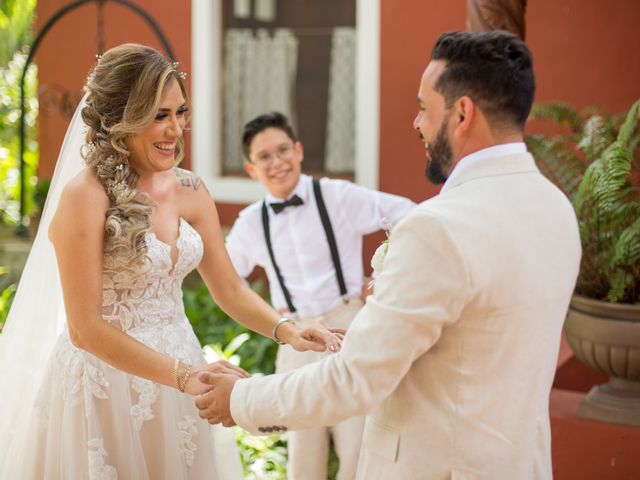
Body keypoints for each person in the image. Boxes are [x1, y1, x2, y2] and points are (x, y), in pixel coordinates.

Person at [196, 30, 582, 479]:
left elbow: (354, 380)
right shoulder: (558, 208)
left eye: (423, 108)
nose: (416, 123)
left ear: (461, 114)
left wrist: (240, 399)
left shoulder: (435, 230)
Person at [0, 43, 341, 479]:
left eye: (180, 113)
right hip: (105, 387)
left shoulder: (190, 188)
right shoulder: (84, 197)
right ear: (122, 118)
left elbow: (230, 288)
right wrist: (185, 375)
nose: (175, 129)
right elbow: (84, 328)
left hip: (183, 379)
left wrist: (288, 331)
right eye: (159, 115)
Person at [224, 112, 415, 479]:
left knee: (358, 447)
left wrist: (383, 278)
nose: (277, 162)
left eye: (283, 150)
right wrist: (269, 317)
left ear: (298, 150)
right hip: (294, 338)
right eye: (265, 157)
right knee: (303, 455)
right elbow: (227, 278)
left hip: (348, 328)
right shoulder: (251, 222)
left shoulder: (336, 196)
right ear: (251, 168)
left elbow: (407, 215)